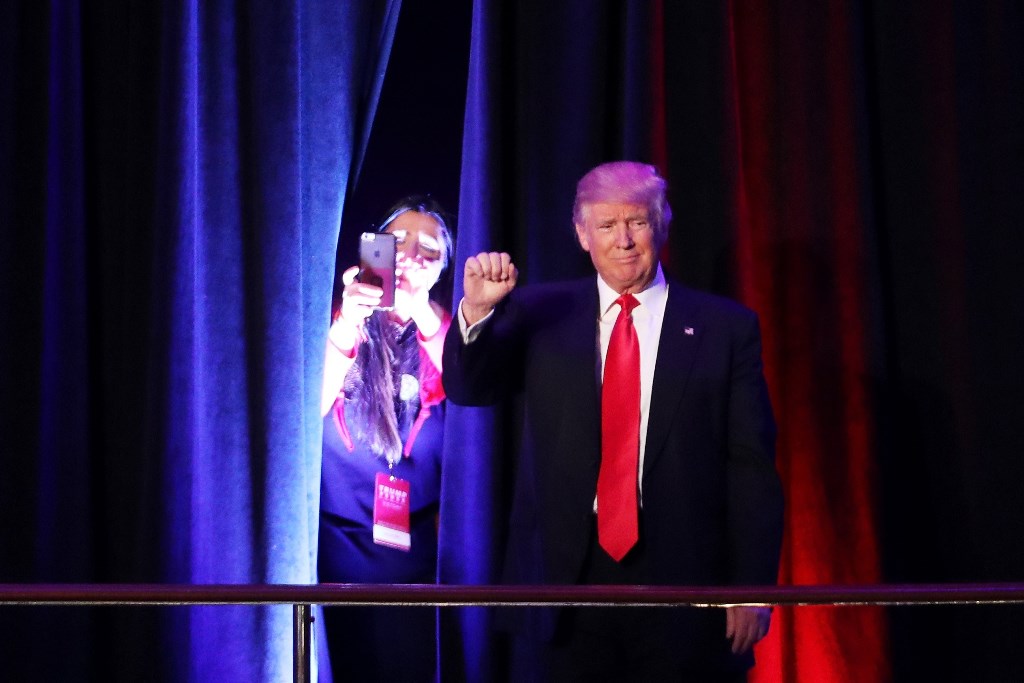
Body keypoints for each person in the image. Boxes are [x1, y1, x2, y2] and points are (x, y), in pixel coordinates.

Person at [442, 161, 784, 681]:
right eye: (606, 226)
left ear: (661, 224)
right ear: (582, 234)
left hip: (687, 585)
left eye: (638, 222)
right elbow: (469, 390)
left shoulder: (724, 328)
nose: (623, 240)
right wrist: (476, 312)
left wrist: (751, 586)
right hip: (565, 586)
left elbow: (751, 467)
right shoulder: (540, 312)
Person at [319, 196, 453, 682]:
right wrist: (348, 322)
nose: (413, 254)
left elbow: (469, 390)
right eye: (398, 241)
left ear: (443, 268)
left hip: (416, 562)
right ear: (373, 251)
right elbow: (302, 406)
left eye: (429, 247)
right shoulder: (336, 318)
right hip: (334, 551)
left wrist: (424, 313)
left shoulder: (450, 336)